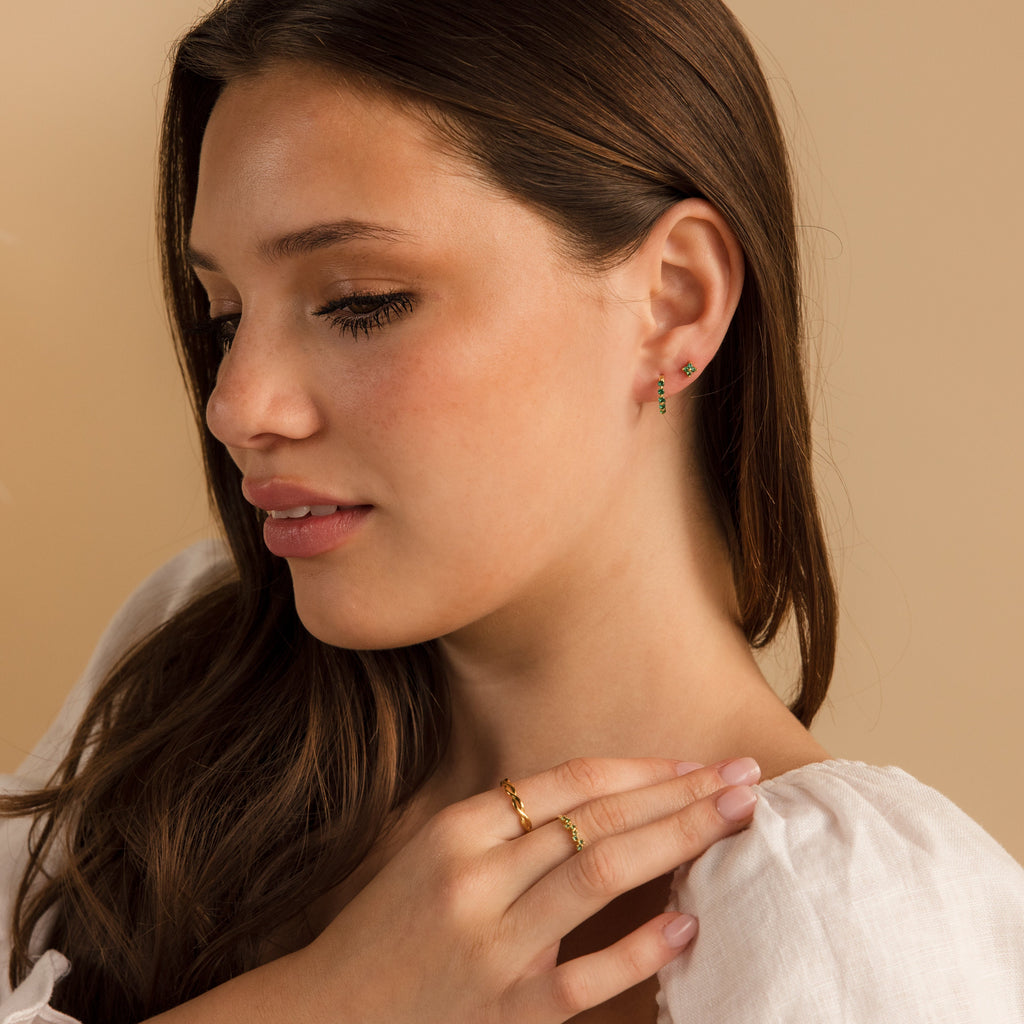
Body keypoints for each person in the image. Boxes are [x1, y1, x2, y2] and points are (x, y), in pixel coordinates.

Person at [2, 0, 1023, 1021]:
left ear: (673, 300)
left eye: (360, 300)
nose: (235, 406)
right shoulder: (192, 671)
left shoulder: (853, 922)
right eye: (224, 315)